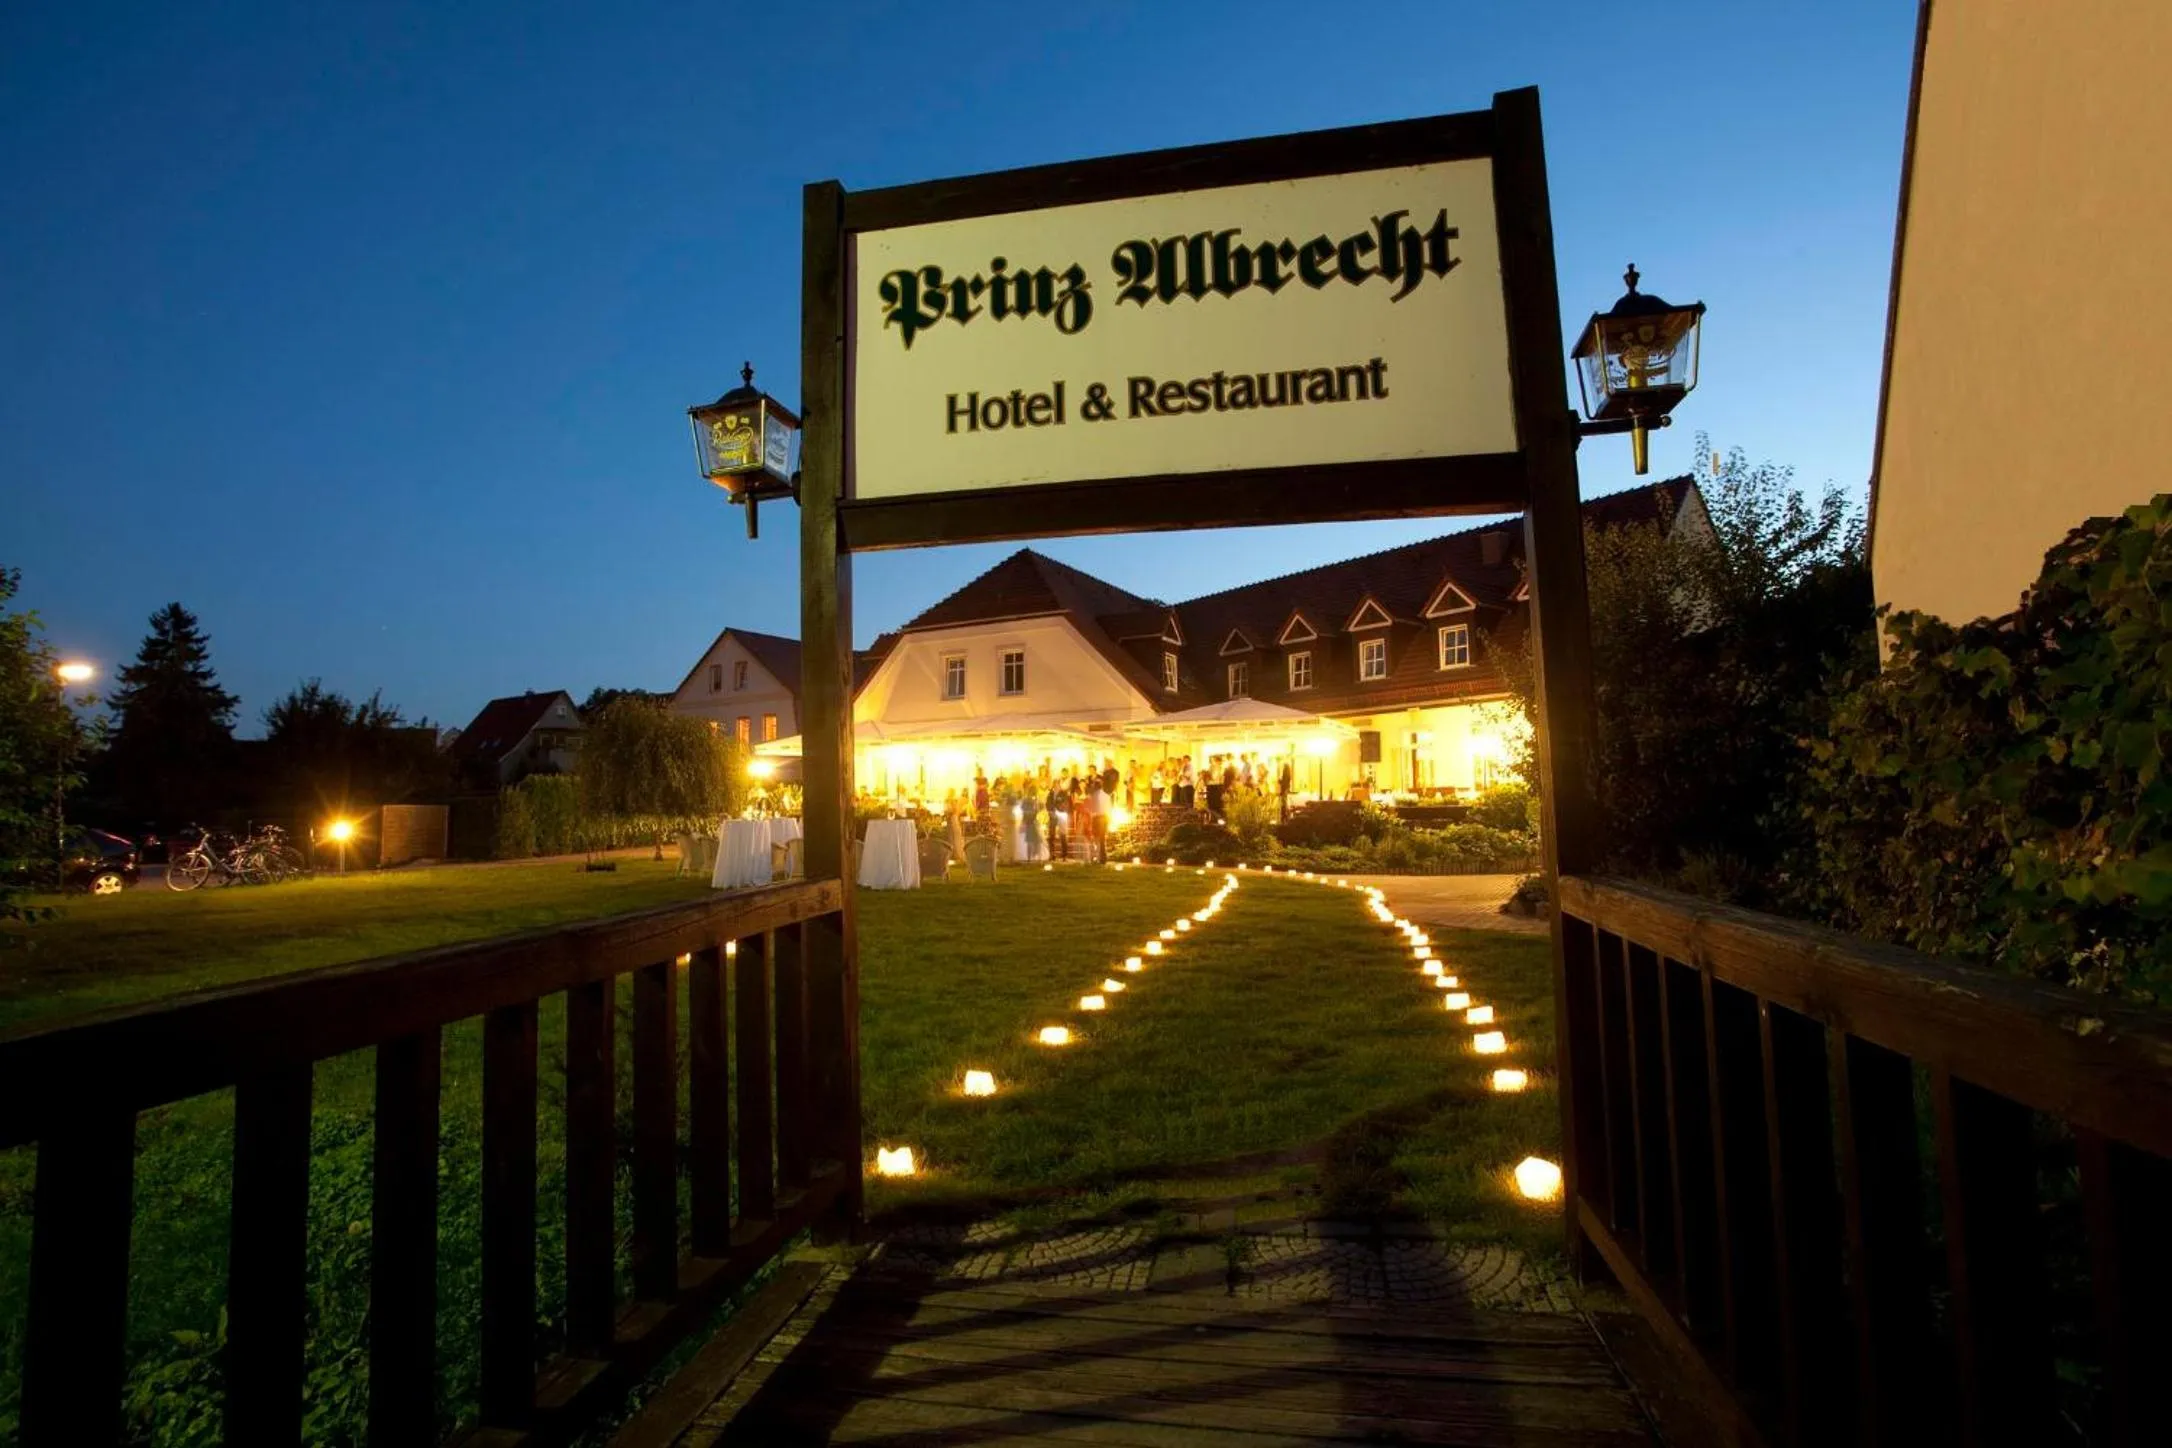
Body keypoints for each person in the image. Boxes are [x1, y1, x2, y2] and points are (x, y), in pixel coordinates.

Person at [1089, 772, 1112, 863]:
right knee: (1102, 839)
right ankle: (1102, 857)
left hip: (1097, 818)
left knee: (1096, 838)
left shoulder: (1093, 796)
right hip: (1104, 818)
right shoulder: (1106, 796)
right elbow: (1109, 808)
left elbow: (1092, 808)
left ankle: (1097, 856)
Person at [1047, 774, 1070, 861]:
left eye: (1057, 785)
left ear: (1059, 785)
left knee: (1063, 835)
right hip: (1052, 816)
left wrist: (1058, 809)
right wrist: (1050, 811)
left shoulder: (1063, 794)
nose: (1056, 786)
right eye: (1055, 785)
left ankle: (1064, 855)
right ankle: (1052, 854)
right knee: (1051, 836)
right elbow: (1047, 803)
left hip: (1061, 817)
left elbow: (1065, 804)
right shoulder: (1050, 794)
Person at [1020, 777, 1042, 863]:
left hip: (1033, 821)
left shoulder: (1035, 800)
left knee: (1035, 840)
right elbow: (1025, 810)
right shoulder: (1026, 800)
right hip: (1030, 821)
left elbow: (1037, 809)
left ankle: (1034, 857)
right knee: (1031, 840)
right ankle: (1030, 858)